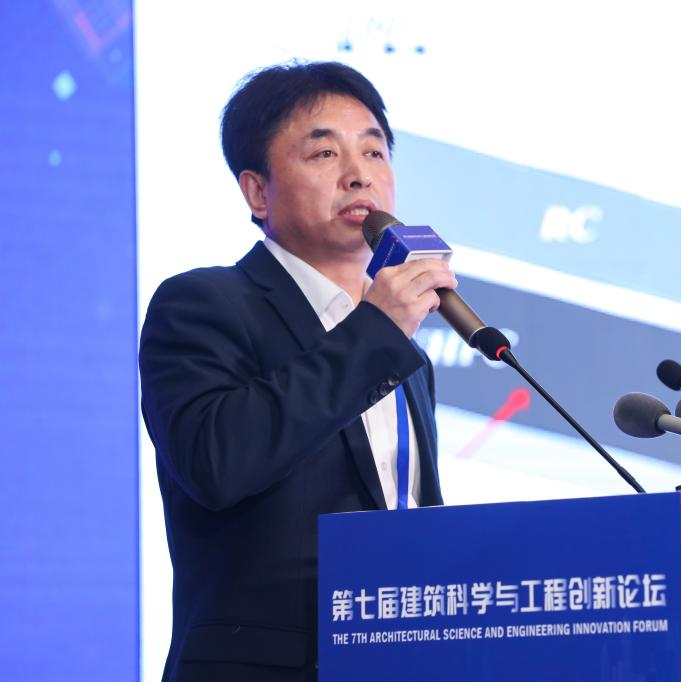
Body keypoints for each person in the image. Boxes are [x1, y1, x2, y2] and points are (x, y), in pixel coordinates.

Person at [139, 61, 455, 682]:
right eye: (325, 153)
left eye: (374, 151)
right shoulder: (203, 304)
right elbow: (216, 463)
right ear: (258, 192)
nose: (359, 174)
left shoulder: (403, 353)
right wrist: (376, 332)